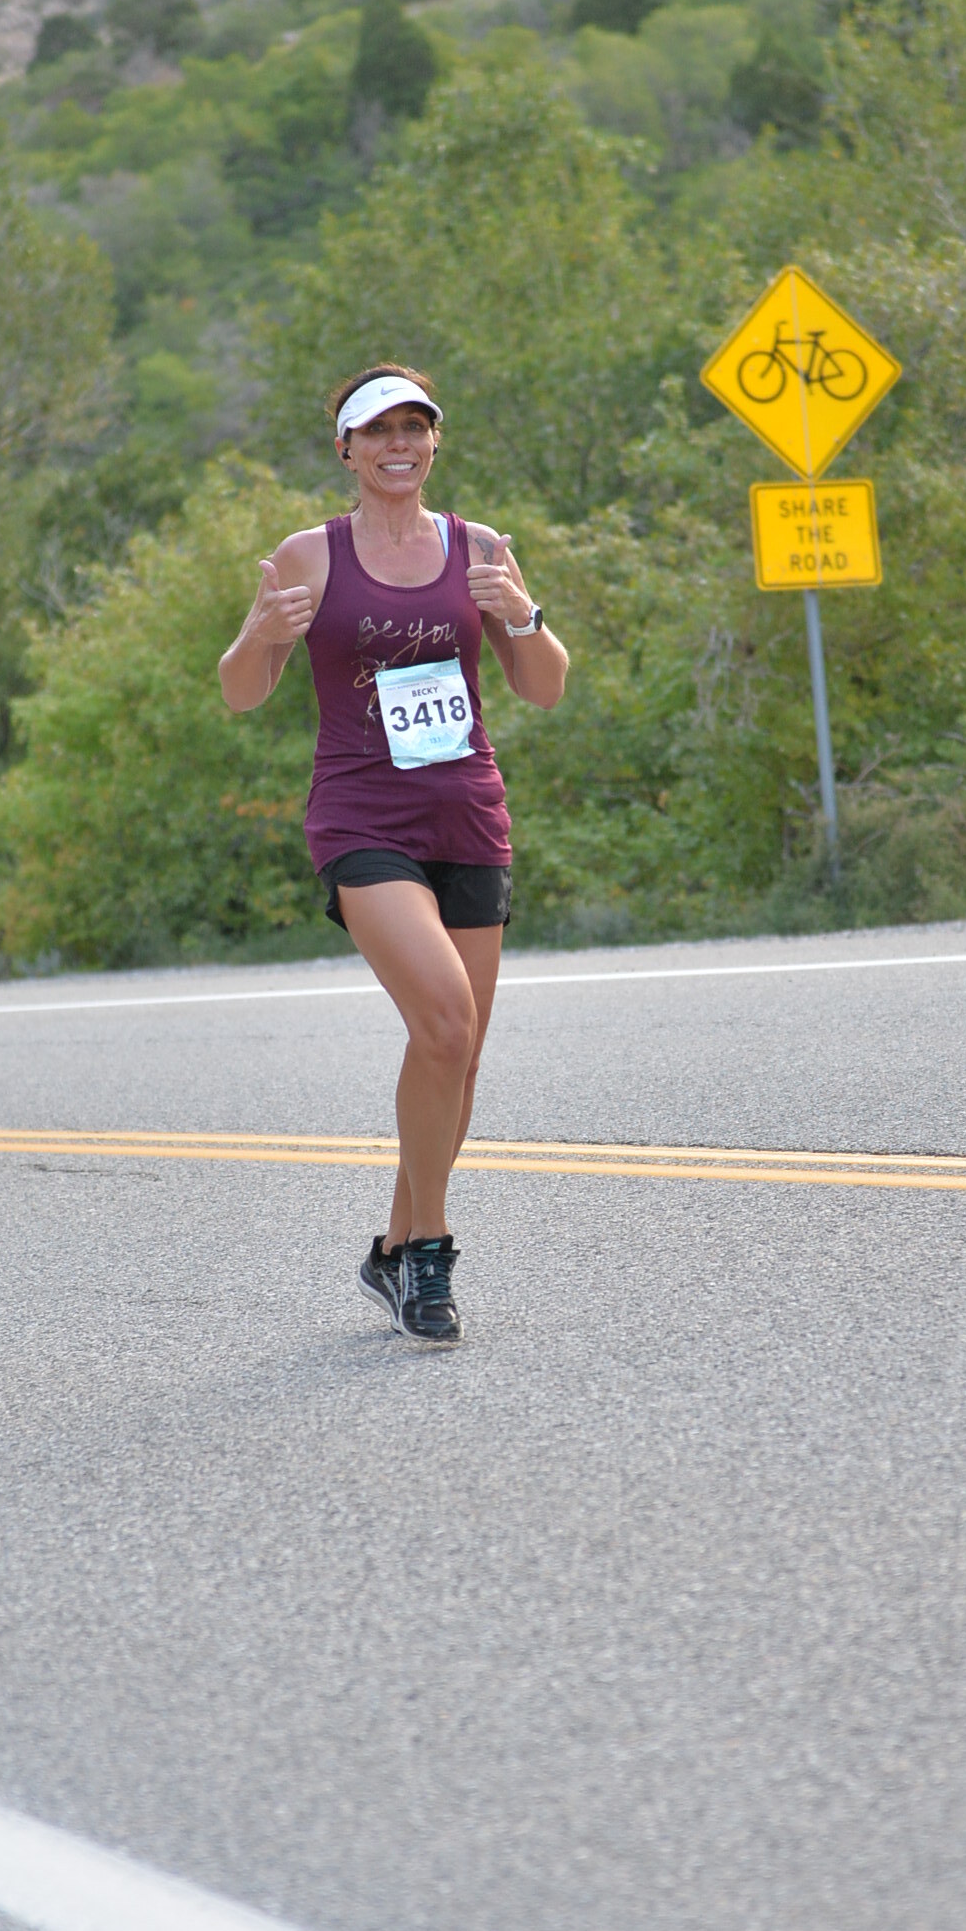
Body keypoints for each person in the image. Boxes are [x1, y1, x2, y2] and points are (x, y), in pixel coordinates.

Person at [219, 364, 567, 1343]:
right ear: (347, 449)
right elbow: (240, 692)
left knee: (458, 1051)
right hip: (362, 819)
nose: (398, 444)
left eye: (415, 426)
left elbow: (544, 686)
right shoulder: (310, 555)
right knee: (446, 1018)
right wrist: (259, 634)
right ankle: (430, 1255)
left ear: (435, 441)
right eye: (377, 431)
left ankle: (392, 1246)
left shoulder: (481, 546)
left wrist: (521, 610)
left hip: (467, 814)